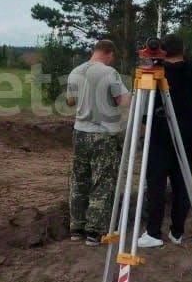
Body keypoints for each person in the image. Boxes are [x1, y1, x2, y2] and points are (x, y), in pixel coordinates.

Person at [138, 33, 192, 248]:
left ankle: (153, 232)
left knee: (156, 183)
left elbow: (143, 105)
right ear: (183, 49)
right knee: (182, 182)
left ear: (162, 49)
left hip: (160, 134)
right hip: (188, 133)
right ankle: (177, 231)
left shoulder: (157, 72)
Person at [66, 39, 131, 246]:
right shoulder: (109, 73)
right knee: (102, 182)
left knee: (79, 180)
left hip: (80, 132)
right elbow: (123, 101)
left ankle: (76, 227)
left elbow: (70, 101)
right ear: (109, 53)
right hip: (103, 134)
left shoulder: (75, 72)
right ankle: (94, 232)